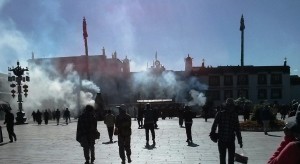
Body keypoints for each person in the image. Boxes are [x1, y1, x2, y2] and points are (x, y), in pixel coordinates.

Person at [211, 98, 243, 164]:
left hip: (228, 139)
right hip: (224, 139)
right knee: (225, 157)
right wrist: (212, 134)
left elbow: (237, 129)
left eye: (231, 106)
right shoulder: (221, 114)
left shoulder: (233, 115)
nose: (230, 107)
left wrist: (240, 140)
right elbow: (214, 125)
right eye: (229, 105)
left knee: (228, 158)